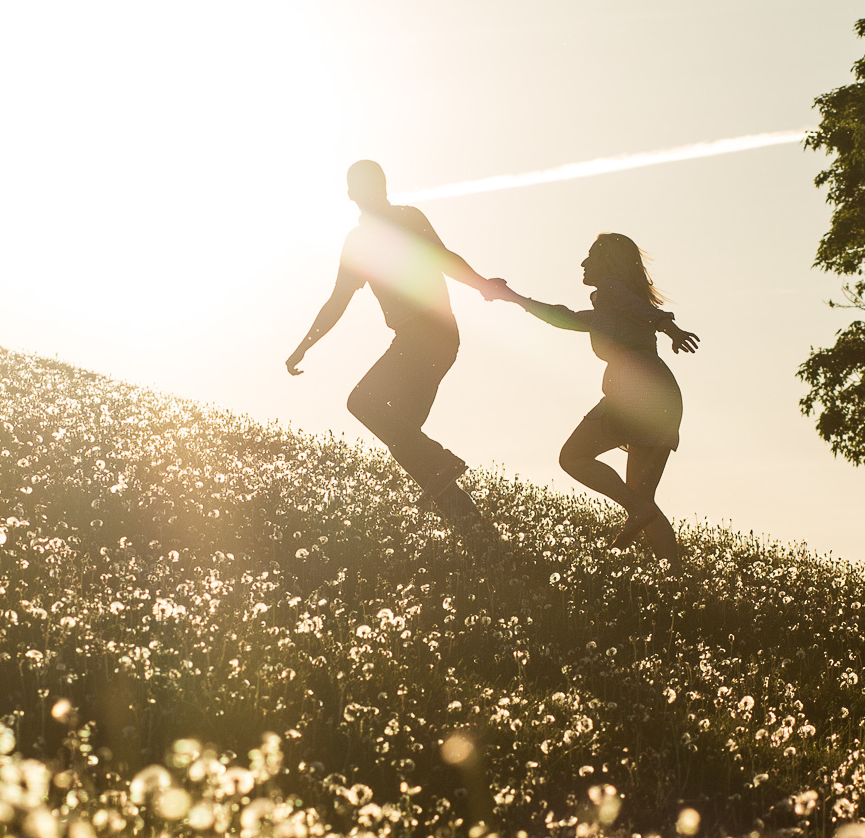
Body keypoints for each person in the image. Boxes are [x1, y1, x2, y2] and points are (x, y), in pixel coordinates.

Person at [287, 160, 509, 498]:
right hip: (437, 338)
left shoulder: (403, 221)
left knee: (363, 403)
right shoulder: (363, 239)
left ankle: (442, 464)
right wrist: (305, 345)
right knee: (404, 437)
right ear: (353, 194)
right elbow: (338, 301)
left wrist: (481, 284)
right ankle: (471, 525)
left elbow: (442, 258)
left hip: (425, 335)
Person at [498, 232, 698, 554]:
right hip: (662, 393)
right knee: (643, 501)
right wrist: (516, 299)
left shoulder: (611, 289)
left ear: (608, 262)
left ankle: (636, 515)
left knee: (573, 457)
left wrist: (670, 327)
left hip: (636, 386)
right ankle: (674, 579)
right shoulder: (611, 308)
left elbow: (637, 307)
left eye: (590, 255)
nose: (583, 262)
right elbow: (565, 317)